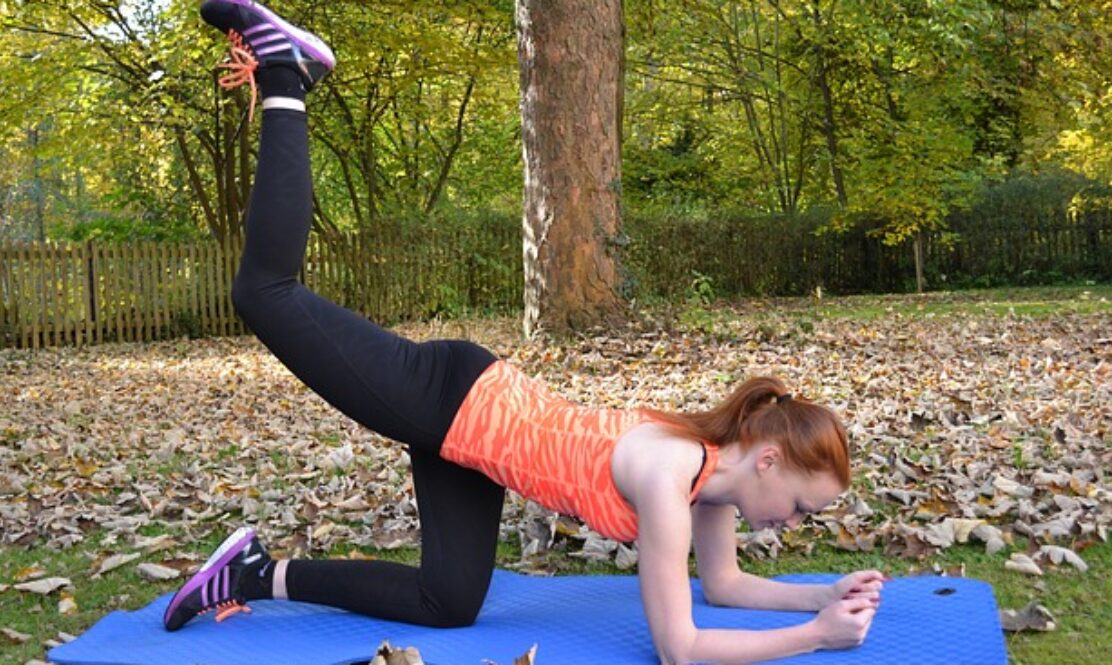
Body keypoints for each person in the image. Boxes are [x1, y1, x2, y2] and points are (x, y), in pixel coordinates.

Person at [165, 2, 884, 662]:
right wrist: (816, 636)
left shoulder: (714, 479)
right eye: (798, 507)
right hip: (447, 399)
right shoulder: (672, 477)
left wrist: (821, 595)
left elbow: (724, 587)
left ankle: (255, 571)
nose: (790, 525)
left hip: (475, 444)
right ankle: (285, 75)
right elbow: (680, 647)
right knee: (264, 292)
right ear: (766, 460)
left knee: (446, 602)